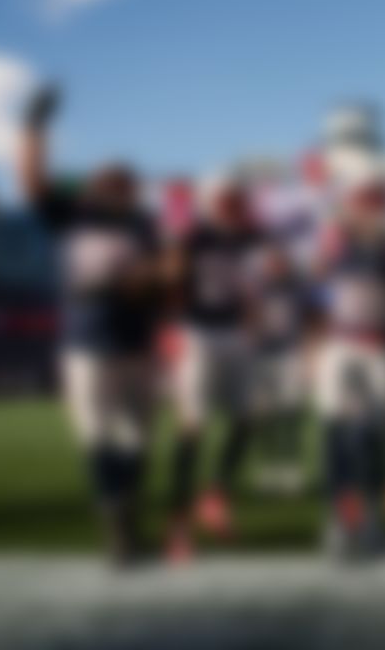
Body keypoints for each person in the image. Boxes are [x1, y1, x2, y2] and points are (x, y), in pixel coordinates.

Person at [16, 84, 163, 567]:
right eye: (111, 182)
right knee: (97, 436)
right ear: (98, 186)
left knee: (138, 440)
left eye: (125, 182)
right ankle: (117, 524)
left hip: (136, 340)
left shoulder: (144, 224)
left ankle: (127, 512)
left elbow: (163, 276)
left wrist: (151, 277)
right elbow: (33, 181)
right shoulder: (73, 213)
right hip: (87, 340)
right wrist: (35, 126)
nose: (119, 188)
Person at [312, 146, 385, 560]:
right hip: (343, 340)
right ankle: (341, 519)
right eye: (366, 195)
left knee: (375, 434)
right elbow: (319, 279)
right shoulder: (336, 230)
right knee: (338, 433)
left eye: (377, 195)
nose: (373, 202)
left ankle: (372, 518)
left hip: (383, 342)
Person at [162, 173, 266, 562]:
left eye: (238, 198)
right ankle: (178, 527)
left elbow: (256, 282)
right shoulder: (192, 235)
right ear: (211, 201)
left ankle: (216, 494)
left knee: (250, 416)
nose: (235, 204)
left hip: (236, 334)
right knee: (192, 427)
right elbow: (171, 280)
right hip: (198, 334)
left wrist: (254, 320)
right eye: (227, 198)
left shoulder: (252, 236)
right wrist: (169, 326)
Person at [246, 240, 317, 495]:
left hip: (290, 354)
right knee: (266, 418)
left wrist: (311, 356)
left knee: (290, 415)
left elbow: (311, 321)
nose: (277, 265)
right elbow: (248, 320)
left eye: (281, 260)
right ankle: (269, 468)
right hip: (263, 355)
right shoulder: (257, 287)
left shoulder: (298, 286)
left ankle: (291, 469)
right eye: (273, 261)